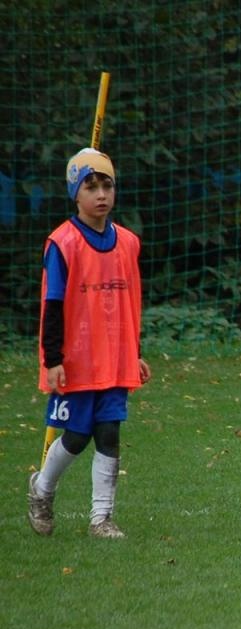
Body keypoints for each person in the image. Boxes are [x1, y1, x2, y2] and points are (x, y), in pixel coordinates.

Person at [28, 147, 149, 539]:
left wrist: (135, 352)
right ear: (75, 194)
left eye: (107, 185)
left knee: (110, 433)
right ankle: (42, 490)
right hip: (77, 361)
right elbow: (54, 304)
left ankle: (101, 519)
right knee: (77, 436)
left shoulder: (127, 243)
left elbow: (130, 303)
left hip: (113, 361)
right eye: (91, 186)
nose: (100, 194)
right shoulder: (63, 244)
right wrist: (54, 358)